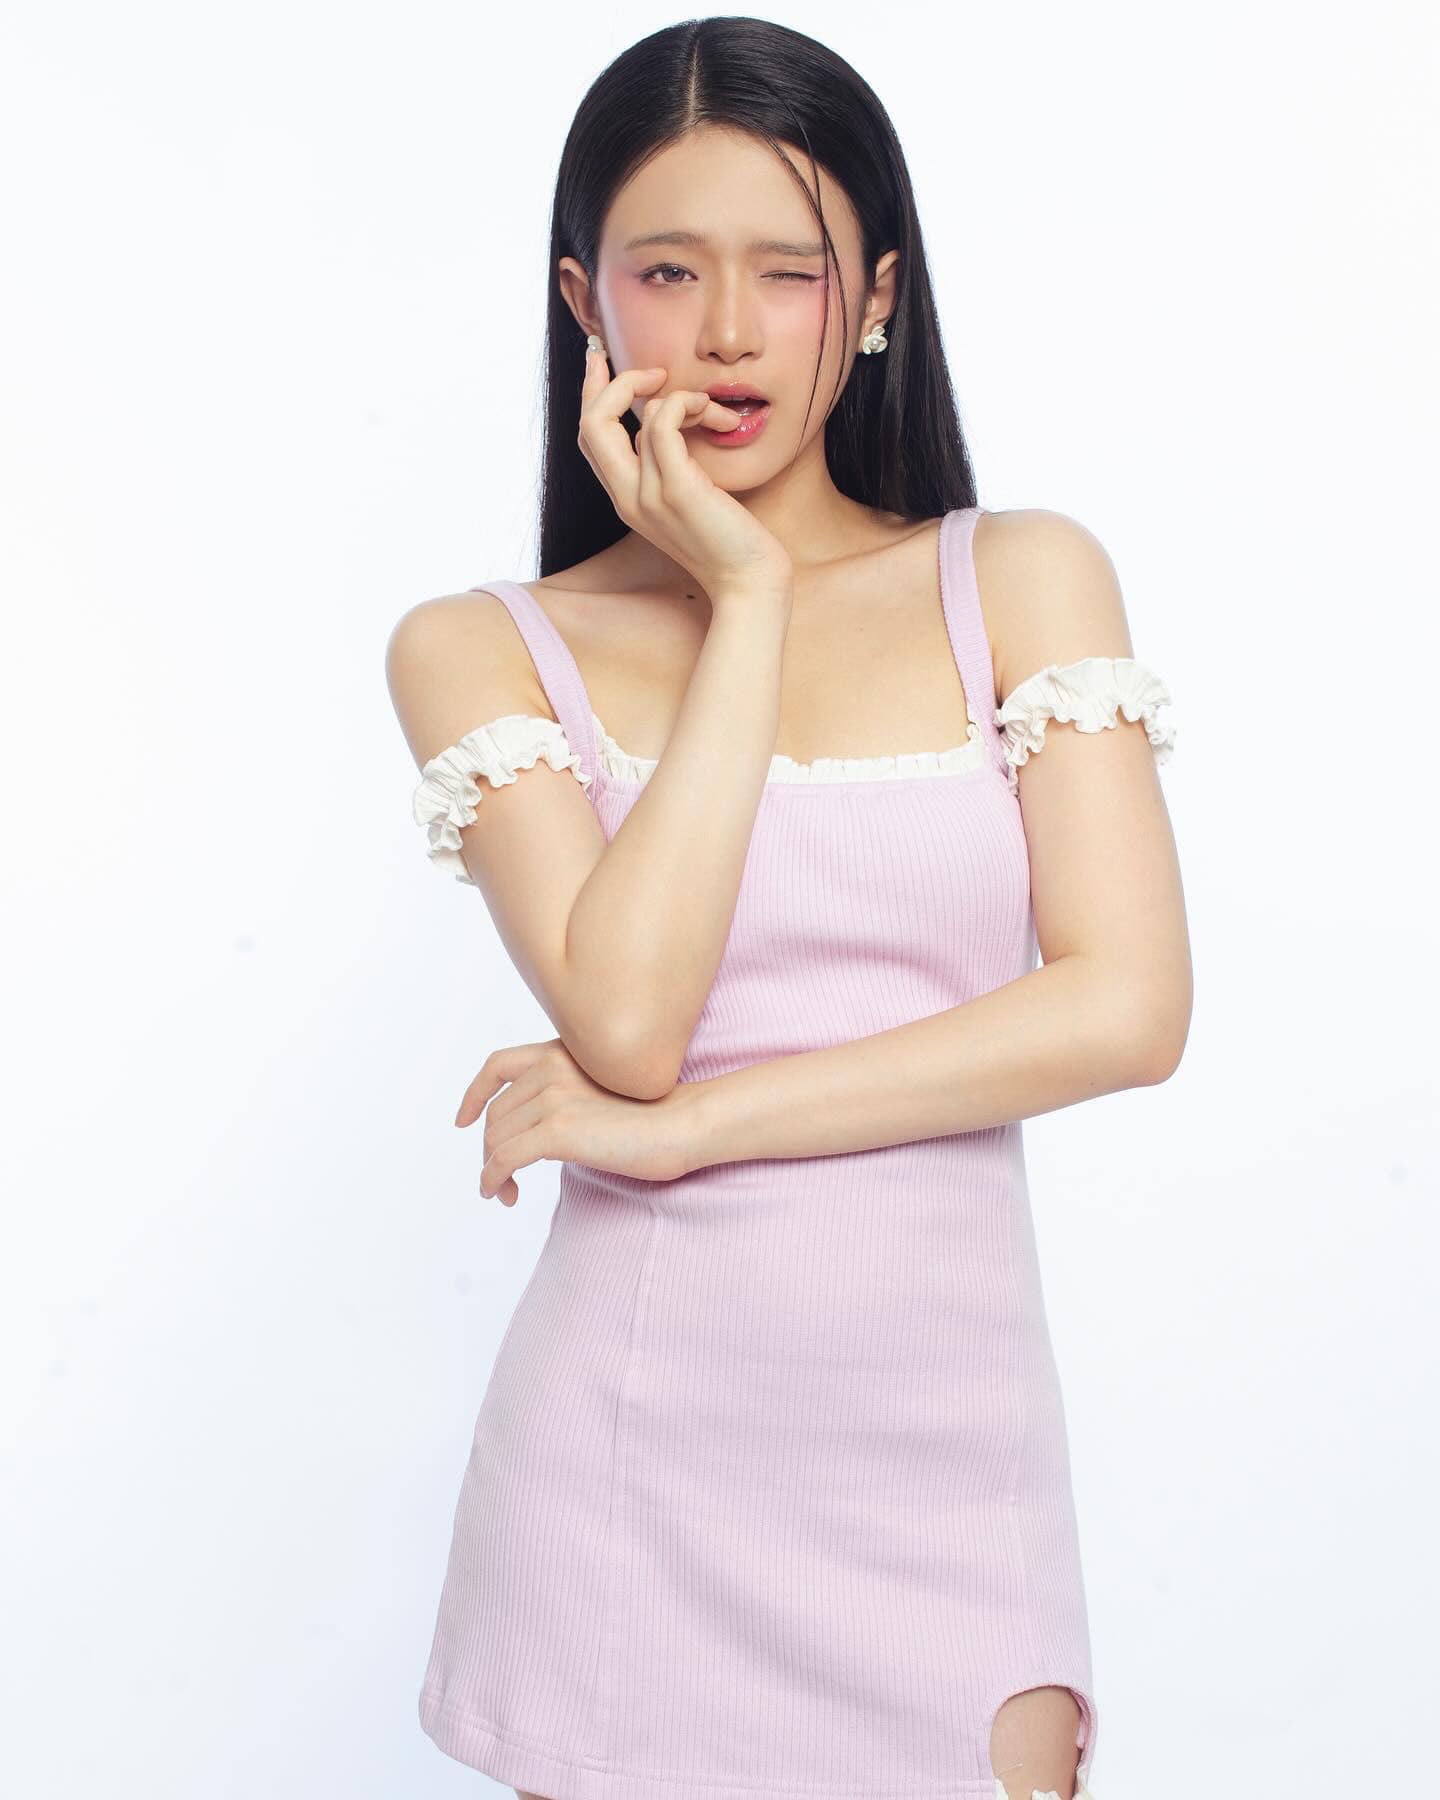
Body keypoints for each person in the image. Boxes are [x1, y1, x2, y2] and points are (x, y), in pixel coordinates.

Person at [386, 18, 1191, 1800]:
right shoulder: (483, 650)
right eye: (669, 272)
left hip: (951, 1472)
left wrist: (694, 1130)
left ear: (877, 296)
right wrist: (744, 598)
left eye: (792, 270)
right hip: (630, 1476)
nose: (731, 333)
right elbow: (630, 1027)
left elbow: (1126, 1009)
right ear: (585, 302)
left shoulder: (1020, 580)